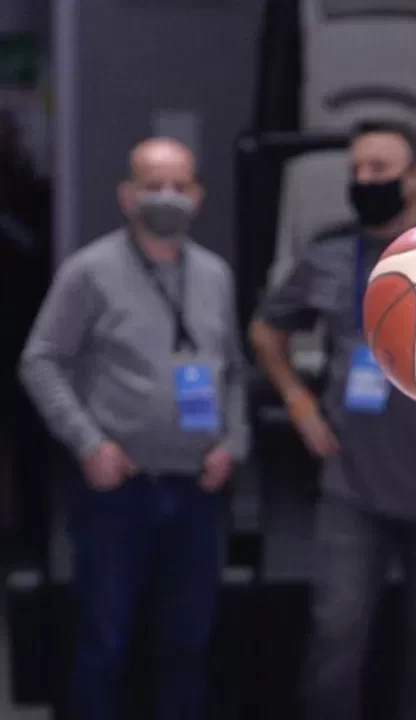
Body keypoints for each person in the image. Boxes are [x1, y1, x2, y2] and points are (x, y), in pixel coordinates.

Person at [249, 118, 416, 720]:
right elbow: (265, 330)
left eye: (379, 169)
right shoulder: (329, 255)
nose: (364, 180)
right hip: (352, 483)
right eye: (356, 170)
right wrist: (299, 403)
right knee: (336, 631)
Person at [18, 137, 249, 720]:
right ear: (127, 195)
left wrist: (234, 442)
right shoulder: (89, 271)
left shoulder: (215, 274)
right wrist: (88, 443)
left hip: (198, 490)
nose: (167, 196)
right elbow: (39, 361)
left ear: (197, 196)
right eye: (153, 185)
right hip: (119, 491)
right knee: (106, 640)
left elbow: (233, 370)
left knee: (189, 643)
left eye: (179, 185)